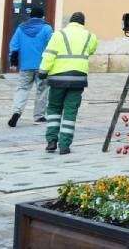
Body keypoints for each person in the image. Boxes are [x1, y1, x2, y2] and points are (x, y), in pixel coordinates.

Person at [39, 12, 98, 154]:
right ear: (83, 23)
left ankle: (51, 140)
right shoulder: (91, 36)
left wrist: (43, 71)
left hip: (58, 78)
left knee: (54, 108)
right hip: (78, 78)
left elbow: (49, 54)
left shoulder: (58, 35)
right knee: (70, 111)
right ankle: (65, 145)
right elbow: (90, 51)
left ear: (70, 21)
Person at [7, 7, 53, 127]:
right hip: (42, 66)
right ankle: (39, 116)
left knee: (23, 89)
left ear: (30, 16)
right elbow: (52, 46)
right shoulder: (47, 28)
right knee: (42, 90)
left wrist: (13, 62)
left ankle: (17, 111)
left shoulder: (21, 28)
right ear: (42, 17)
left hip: (26, 66)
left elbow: (14, 46)